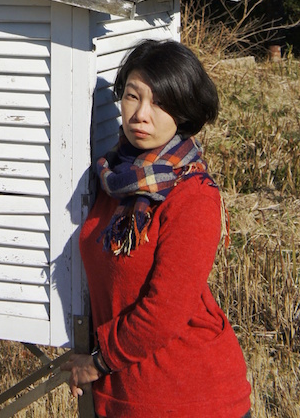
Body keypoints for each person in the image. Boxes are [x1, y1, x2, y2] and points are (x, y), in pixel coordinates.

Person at [61, 39, 251, 418]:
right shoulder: (113, 178)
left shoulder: (192, 195)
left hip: (189, 397)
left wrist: (97, 361)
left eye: (160, 102)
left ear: (183, 111)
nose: (141, 114)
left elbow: (163, 311)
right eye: (133, 97)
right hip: (125, 393)